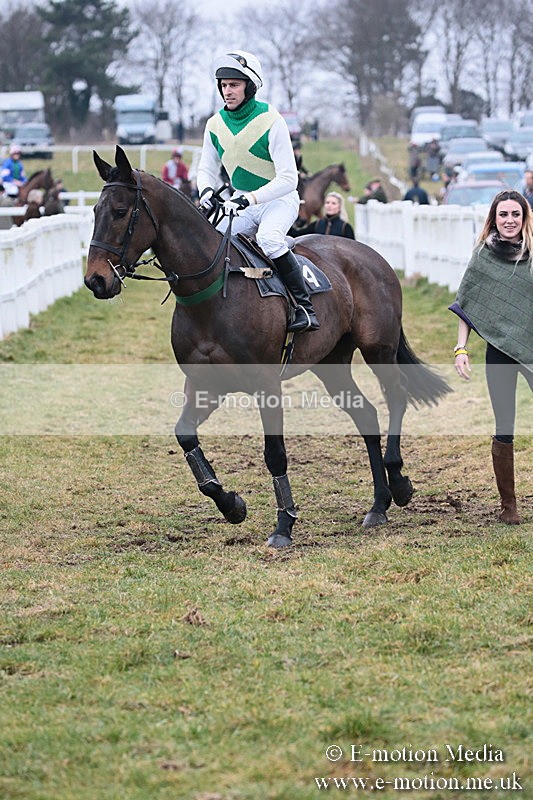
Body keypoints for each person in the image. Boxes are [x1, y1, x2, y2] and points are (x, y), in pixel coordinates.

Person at [197, 50, 319, 331]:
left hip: (278, 200)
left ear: (249, 86)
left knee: (269, 239)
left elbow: (289, 178)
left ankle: (304, 307)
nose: (228, 91)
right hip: (241, 203)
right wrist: (206, 192)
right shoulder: (214, 125)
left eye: (234, 85)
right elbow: (206, 169)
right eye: (224, 85)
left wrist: (248, 198)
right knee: (215, 241)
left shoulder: (271, 119)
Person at [449, 190, 533, 525]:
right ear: (494, 219)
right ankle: (508, 506)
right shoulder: (483, 257)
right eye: (504, 215)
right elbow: (468, 305)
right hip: (498, 351)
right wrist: (460, 348)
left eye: (516, 214)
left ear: (524, 217)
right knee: (504, 424)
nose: (510, 220)